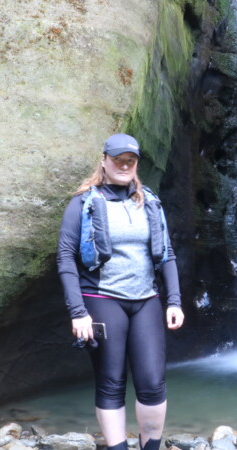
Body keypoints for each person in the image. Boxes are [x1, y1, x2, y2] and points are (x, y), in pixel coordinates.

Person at [56, 133, 184, 450]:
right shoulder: (82, 203)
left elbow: (166, 253)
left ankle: (150, 447)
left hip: (146, 300)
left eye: (130, 160)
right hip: (102, 299)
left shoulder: (149, 201)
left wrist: (174, 301)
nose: (124, 165)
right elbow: (66, 257)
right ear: (104, 161)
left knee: (153, 382)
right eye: (118, 159)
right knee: (111, 381)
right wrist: (77, 311)